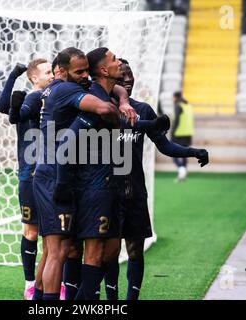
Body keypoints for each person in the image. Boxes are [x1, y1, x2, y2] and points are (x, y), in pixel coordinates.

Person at [102, 59, 209, 300]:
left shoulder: (144, 109)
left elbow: (164, 145)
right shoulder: (101, 109)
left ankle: (131, 300)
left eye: (130, 75)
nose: (127, 79)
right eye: (122, 76)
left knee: (135, 251)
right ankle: (111, 301)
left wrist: (192, 151)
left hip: (135, 191)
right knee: (109, 253)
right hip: (107, 191)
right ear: (111, 79)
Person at [33, 47, 130, 300]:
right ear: (62, 71)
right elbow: (104, 110)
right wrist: (120, 118)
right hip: (55, 173)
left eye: (87, 69)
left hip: (52, 170)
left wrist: (122, 97)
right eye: (79, 71)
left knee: (55, 249)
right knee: (58, 250)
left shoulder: (55, 88)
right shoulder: (67, 90)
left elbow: (116, 88)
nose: (85, 76)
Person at [0, 58, 54, 300]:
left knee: (53, 235)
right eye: (48, 72)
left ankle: (51, 282)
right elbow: (3, 108)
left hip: (54, 173)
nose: (52, 75)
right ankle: (30, 283)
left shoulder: (57, 96)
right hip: (29, 174)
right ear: (34, 78)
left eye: (53, 70)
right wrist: (13, 75)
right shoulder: (30, 99)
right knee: (31, 232)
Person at [171, 91, 195, 182]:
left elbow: (176, 119)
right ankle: (183, 174)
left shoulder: (178, 105)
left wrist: (172, 132)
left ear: (175, 97)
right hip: (188, 134)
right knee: (184, 154)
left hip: (179, 134)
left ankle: (181, 169)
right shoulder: (188, 106)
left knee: (173, 153)